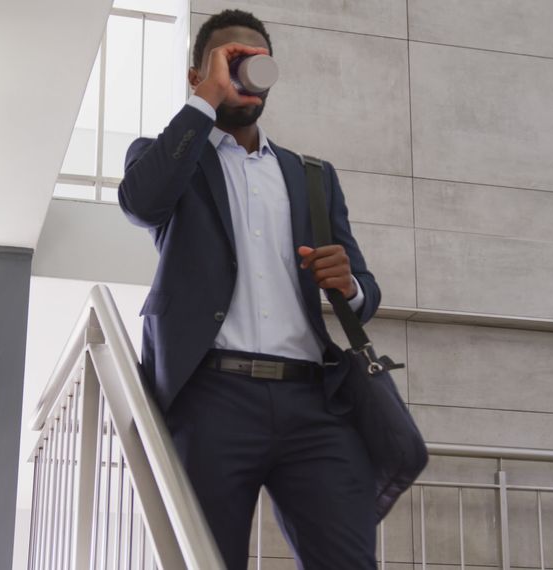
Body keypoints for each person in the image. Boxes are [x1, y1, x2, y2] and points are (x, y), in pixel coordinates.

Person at [118, 9, 381, 569]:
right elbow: (141, 204)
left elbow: (366, 290)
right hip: (211, 398)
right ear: (200, 74)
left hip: (313, 401)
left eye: (258, 62)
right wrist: (203, 104)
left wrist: (350, 284)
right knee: (206, 560)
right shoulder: (166, 157)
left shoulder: (311, 175)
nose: (248, 74)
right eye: (233, 61)